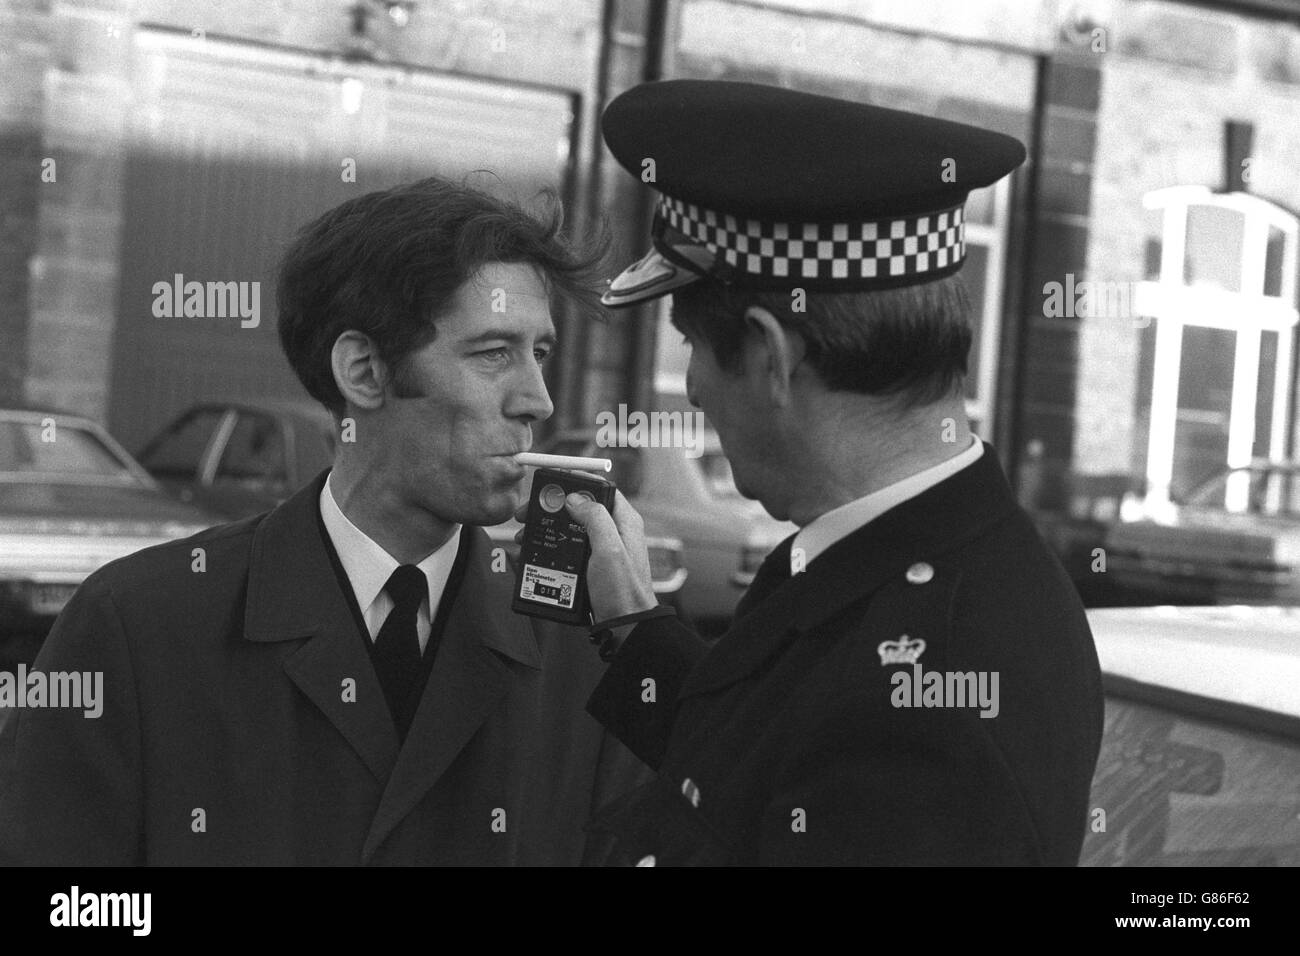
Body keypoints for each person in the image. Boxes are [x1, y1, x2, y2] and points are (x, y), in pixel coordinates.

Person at [0, 177, 646, 865]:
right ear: (364, 372)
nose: (538, 400)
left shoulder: (580, 650)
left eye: (540, 352)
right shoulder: (136, 624)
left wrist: (643, 639)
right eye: (494, 354)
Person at [562, 80, 1105, 865]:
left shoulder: (936, 696)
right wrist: (629, 624)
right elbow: (767, 753)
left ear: (769, 356)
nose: (691, 387)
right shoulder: (893, 563)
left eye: (691, 345)